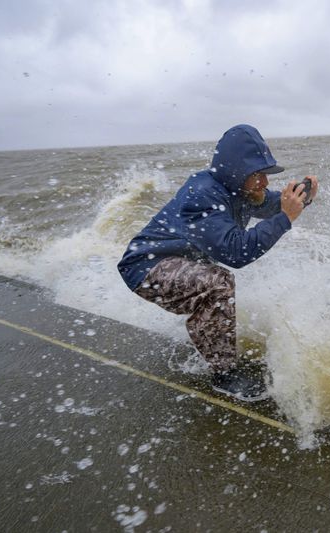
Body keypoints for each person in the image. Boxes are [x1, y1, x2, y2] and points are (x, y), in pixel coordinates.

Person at [117, 124, 318, 401]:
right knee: (218, 283)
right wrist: (285, 219)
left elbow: (273, 204)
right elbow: (237, 253)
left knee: (212, 283)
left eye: (266, 174)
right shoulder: (203, 195)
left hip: (174, 263)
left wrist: (300, 200)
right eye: (258, 174)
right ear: (237, 171)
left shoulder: (241, 191)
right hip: (145, 267)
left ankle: (206, 338)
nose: (265, 182)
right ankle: (224, 376)